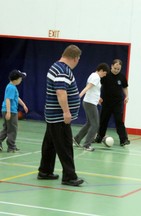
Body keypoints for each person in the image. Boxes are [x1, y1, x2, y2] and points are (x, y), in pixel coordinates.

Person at [37, 45, 84, 186]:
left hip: (53, 114)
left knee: (50, 145)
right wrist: (66, 112)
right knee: (65, 146)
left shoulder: (55, 66)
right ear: (75, 58)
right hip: (59, 116)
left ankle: (45, 171)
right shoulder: (63, 70)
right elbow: (60, 92)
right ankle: (69, 176)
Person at [73, 63, 110, 151]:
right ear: (101, 70)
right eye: (104, 73)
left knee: (89, 123)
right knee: (95, 124)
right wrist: (79, 96)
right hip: (90, 103)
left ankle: (77, 139)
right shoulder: (96, 77)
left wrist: (98, 98)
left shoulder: (93, 75)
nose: (104, 75)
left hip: (89, 102)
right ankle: (87, 145)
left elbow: (93, 90)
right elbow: (88, 87)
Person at [94, 59, 130, 146]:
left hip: (118, 103)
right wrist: (98, 97)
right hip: (106, 102)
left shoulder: (122, 77)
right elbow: (98, 86)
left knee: (119, 121)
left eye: (118, 69)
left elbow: (124, 87)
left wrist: (127, 96)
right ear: (111, 66)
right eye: (115, 68)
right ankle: (99, 137)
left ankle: (123, 139)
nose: (116, 70)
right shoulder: (105, 75)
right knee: (104, 120)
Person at [0, 70, 28, 152]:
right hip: (11, 111)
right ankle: (11, 147)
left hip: (7, 110)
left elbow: (16, 97)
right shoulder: (11, 87)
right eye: (20, 78)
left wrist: (23, 105)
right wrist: (8, 112)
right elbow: (8, 99)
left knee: (6, 129)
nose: (21, 80)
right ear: (16, 79)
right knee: (13, 129)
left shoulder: (11, 87)